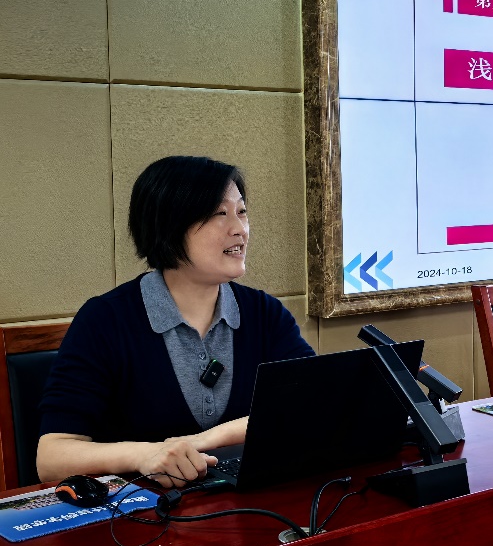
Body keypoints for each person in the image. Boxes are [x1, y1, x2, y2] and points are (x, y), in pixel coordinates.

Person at [37, 156, 314, 487]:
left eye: (241, 211)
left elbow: (314, 406)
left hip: (250, 501)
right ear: (169, 225)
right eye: (219, 214)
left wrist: (202, 441)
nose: (239, 229)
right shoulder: (105, 320)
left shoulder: (264, 313)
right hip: (144, 512)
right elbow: (52, 458)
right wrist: (145, 455)